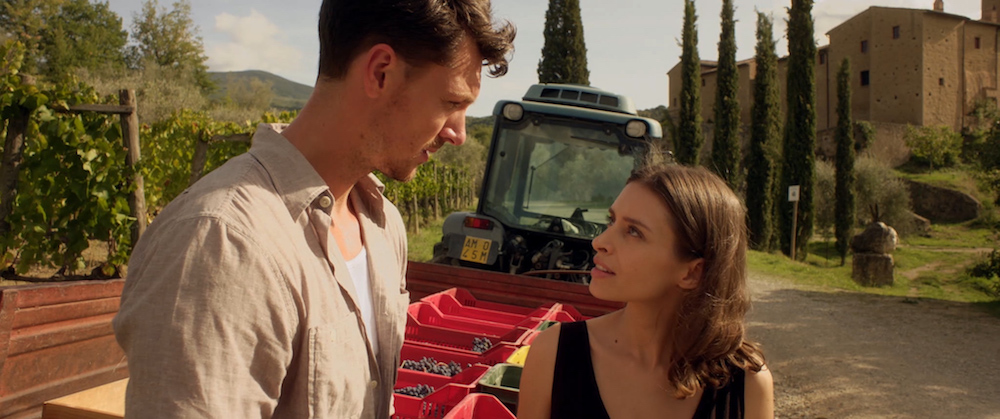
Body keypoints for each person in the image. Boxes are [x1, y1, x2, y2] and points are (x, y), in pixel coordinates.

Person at [112, 1, 515, 417]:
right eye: (451, 102)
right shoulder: (223, 243)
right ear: (381, 72)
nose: (459, 134)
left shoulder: (383, 225)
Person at [518, 164, 774, 419]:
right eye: (611, 221)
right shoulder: (555, 354)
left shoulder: (746, 385)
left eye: (634, 232)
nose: (599, 242)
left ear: (691, 273)